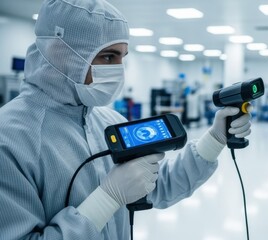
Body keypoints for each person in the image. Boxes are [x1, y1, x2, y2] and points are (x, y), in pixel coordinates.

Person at [0, 0, 252, 239]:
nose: (119, 70)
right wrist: (106, 199)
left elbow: (157, 185)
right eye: (108, 57)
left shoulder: (109, 121)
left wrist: (215, 139)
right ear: (60, 54)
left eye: (123, 57)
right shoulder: (9, 139)